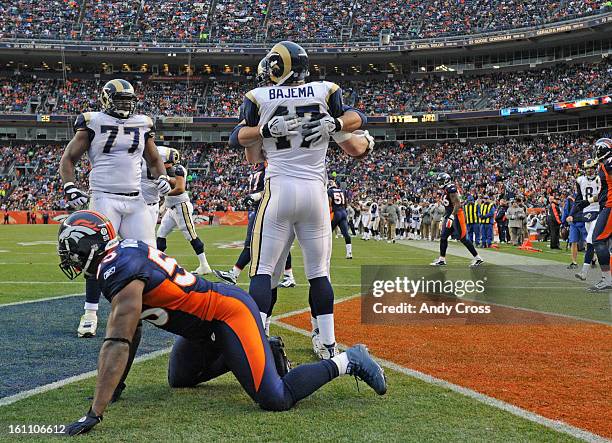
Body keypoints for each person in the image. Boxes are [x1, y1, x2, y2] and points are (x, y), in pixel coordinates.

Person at [57, 211, 386, 436]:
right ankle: (260, 352)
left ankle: (348, 360)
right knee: (180, 378)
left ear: (90, 245)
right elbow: (134, 330)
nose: (67, 255)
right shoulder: (121, 256)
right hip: (202, 328)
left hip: (227, 314)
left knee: (275, 398)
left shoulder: (118, 270)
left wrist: (95, 411)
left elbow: (118, 341)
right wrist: (116, 387)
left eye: (70, 247)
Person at [230, 41, 373, 359]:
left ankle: (258, 338)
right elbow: (356, 119)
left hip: (279, 191)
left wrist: (264, 130)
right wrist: (336, 124)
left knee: (263, 270)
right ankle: (327, 341)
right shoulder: (324, 92)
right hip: (315, 194)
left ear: (280, 67)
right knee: (319, 272)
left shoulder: (260, 97)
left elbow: (238, 138)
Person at [59, 78, 170, 338]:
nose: (125, 106)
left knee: (150, 256)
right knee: (95, 256)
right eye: (120, 101)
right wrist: (70, 186)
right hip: (104, 197)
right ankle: (90, 313)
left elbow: (154, 159)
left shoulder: (142, 123)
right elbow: (68, 159)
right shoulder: (92, 121)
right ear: (106, 100)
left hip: (135, 199)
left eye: (128, 102)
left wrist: (162, 177)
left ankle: (146, 306)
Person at [214, 162, 296, 288]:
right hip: (258, 208)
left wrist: (257, 196)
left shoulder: (270, 166)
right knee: (273, 243)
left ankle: (234, 274)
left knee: (255, 243)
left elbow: (275, 187)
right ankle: (288, 276)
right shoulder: (259, 166)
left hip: (266, 208)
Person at [155, 150, 212, 276]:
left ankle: (204, 265)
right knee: (161, 233)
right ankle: (158, 264)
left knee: (191, 235)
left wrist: (165, 189)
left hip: (181, 206)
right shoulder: (167, 171)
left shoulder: (179, 169)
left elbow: (180, 188)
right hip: (171, 208)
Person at [430, 173, 483, 268]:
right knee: (443, 236)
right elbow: (449, 206)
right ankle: (442, 259)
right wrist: (446, 216)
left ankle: (478, 258)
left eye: (441, 181)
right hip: (450, 214)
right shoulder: (446, 189)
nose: (439, 183)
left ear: (446, 180)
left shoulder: (451, 188)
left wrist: (452, 216)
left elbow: (458, 204)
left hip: (457, 215)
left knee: (463, 238)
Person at [586, 138, 612, 291]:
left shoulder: (608, 162)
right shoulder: (605, 163)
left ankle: (607, 280)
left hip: (610, 206)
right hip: (606, 205)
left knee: (598, 240)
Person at [572, 159, 601, 281]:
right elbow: (579, 198)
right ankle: (592, 265)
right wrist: (574, 212)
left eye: (592, 168)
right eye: (587, 168)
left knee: (589, 241)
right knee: (593, 243)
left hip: (599, 211)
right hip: (586, 213)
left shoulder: (600, 179)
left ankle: (584, 272)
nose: (590, 170)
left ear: (596, 167)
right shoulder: (580, 180)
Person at [328, 180, 353, 258]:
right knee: (346, 234)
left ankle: (326, 253)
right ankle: (349, 253)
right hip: (343, 212)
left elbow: (329, 202)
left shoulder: (329, 191)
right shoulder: (341, 191)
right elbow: (345, 202)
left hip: (335, 213)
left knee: (327, 234)